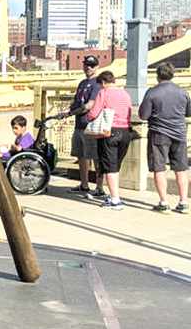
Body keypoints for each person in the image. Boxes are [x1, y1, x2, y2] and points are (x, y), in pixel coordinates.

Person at [139, 62, 191, 213]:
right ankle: (183, 202)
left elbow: (143, 115)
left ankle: (163, 202)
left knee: (159, 168)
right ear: (172, 74)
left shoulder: (152, 92)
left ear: (158, 75)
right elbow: (188, 113)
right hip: (180, 134)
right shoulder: (183, 92)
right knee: (181, 169)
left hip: (158, 134)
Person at [85, 70, 133, 211]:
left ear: (104, 83)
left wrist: (88, 117)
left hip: (109, 132)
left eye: (101, 85)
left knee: (110, 167)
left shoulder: (104, 93)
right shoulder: (125, 93)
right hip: (125, 131)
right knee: (116, 166)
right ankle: (114, 194)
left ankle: (115, 200)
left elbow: (94, 113)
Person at [66, 55, 105, 199]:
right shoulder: (82, 83)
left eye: (92, 65)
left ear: (97, 67)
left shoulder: (97, 84)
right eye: (86, 65)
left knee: (96, 157)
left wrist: (76, 111)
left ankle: (100, 187)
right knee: (81, 156)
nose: (88, 67)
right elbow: (77, 101)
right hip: (79, 124)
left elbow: (91, 104)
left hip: (92, 126)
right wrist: (69, 111)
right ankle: (84, 184)